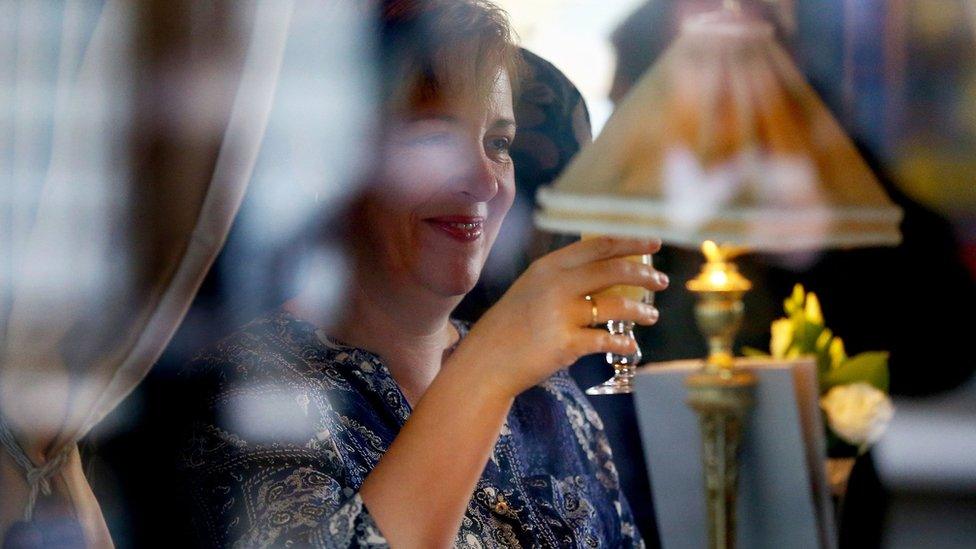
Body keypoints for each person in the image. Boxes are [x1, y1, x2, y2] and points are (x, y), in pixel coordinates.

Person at [178, 1, 668, 546]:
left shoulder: (547, 392)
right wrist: (488, 367)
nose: (486, 182)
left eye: (498, 144)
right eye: (436, 137)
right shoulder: (250, 390)